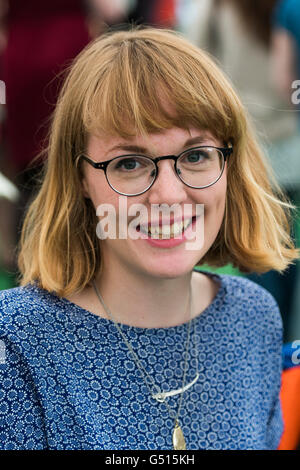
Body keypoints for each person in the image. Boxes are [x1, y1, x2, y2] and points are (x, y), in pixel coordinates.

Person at [0, 27, 298, 450]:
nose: (168, 194)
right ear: (80, 177)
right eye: (130, 163)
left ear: (230, 165)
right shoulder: (16, 341)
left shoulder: (254, 317)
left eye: (195, 156)